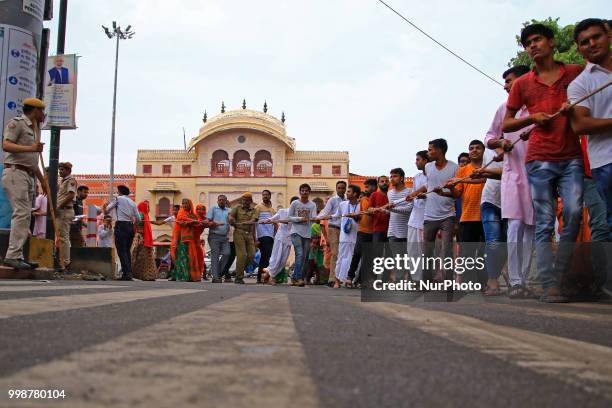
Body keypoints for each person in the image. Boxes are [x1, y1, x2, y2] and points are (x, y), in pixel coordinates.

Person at [502, 23, 584, 303]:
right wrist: (531, 118)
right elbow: (507, 123)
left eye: (537, 40)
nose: (533, 46)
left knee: (573, 213)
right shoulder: (522, 84)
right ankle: (551, 283)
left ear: (551, 43)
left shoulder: (575, 73)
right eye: (528, 43)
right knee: (545, 222)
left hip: (572, 155)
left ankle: (559, 276)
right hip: (538, 159)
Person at [485, 65, 536, 299]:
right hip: (513, 175)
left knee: (532, 228)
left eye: (509, 81)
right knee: (515, 226)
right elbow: (489, 137)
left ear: (525, 80)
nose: (505, 85)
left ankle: (524, 280)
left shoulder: (538, 106)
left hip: (538, 174)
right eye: (504, 82)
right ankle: (515, 281)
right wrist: (500, 144)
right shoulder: (504, 109)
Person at [568, 18, 612, 240]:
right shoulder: (579, 84)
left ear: (609, 36)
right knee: (604, 225)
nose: (592, 43)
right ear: (579, 48)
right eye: (585, 41)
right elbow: (580, 125)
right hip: (605, 162)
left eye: (597, 36)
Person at [2, 98, 46, 269]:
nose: (43, 115)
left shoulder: (35, 130)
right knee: (21, 213)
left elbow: (33, 162)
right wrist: (31, 148)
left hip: (28, 174)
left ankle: (17, 255)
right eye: (42, 111)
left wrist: (43, 182)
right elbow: (6, 145)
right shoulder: (17, 123)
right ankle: (12, 255)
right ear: (34, 110)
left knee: (25, 215)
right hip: (15, 171)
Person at [417, 139, 459, 283]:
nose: (428, 152)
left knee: (446, 251)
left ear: (439, 150)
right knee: (427, 252)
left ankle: (448, 283)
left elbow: (457, 194)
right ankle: (425, 283)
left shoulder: (455, 168)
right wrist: (416, 193)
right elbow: (428, 185)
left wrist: (444, 192)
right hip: (429, 216)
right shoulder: (428, 167)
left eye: (430, 150)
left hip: (447, 215)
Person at [448, 140, 486, 285]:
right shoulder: (463, 170)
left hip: (487, 216)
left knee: (485, 253)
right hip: (468, 216)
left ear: (484, 150)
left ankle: (485, 282)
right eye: (471, 148)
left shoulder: (489, 167)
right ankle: (469, 282)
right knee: (467, 254)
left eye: (478, 148)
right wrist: (451, 187)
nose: (474, 150)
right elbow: (458, 194)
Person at [105, 185, 139, 280]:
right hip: (130, 226)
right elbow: (138, 219)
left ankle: (126, 273)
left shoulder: (118, 198)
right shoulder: (132, 202)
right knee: (127, 250)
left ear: (119, 192)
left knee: (121, 250)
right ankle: (128, 273)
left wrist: (107, 207)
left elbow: (108, 209)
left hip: (121, 225)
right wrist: (133, 225)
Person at [262, 197, 298, 284]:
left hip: (289, 240)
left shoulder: (298, 215)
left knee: (283, 261)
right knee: (276, 258)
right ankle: (271, 277)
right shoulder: (283, 211)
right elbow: (273, 218)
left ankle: (267, 274)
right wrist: (267, 220)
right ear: (291, 204)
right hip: (280, 237)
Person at [347, 178, 377, 285]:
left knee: (368, 258)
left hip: (374, 232)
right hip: (362, 230)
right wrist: (355, 217)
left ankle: (360, 279)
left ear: (374, 187)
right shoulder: (363, 199)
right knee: (357, 254)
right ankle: (350, 277)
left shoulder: (378, 199)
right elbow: (360, 216)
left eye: (367, 187)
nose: (366, 189)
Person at [405, 151, 430, 281]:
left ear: (426, 161)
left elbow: (429, 190)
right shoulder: (417, 177)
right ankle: (416, 280)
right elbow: (414, 197)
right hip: (414, 219)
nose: (416, 162)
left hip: (427, 220)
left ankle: (426, 280)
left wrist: (419, 193)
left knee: (425, 252)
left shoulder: (434, 176)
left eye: (418, 159)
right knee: (412, 251)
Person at [317, 181, 346, 284]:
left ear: (345, 189)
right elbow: (325, 212)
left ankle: (340, 278)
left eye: (343, 188)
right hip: (333, 228)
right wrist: (315, 217)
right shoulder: (332, 200)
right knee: (335, 253)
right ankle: (332, 279)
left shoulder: (346, 201)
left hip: (344, 230)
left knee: (342, 254)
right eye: (339, 188)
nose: (341, 190)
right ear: (336, 188)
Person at [333, 184, 361, 288]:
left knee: (352, 260)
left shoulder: (361, 205)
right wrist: (324, 217)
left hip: (356, 236)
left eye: (349, 191)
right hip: (344, 237)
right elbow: (336, 215)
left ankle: (349, 280)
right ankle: (337, 281)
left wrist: (355, 217)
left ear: (355, 194)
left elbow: (361, 219)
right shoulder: (343, 204)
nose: (346, 193)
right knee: (341, 258)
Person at [290, 183, 318, 287]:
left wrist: (315, 219)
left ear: (309, 192)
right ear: (300, 192)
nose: (304, 192)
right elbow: (289, 217)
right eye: (302, 190)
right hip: (295, 232)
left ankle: (297, 277)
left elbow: (314, 217)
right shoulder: (295, 203)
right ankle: (298, 278)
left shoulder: (312, 205)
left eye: (306, 190)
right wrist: (299, 219)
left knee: (306, 257)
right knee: (300, 254)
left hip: (307, 233)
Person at [229, 193, 257, 284]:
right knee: (242, 255)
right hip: (239, 233)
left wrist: (246, 223)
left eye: (248, 200)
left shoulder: (254, 210)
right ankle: (239, 277)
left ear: (251, 201)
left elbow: (253, 220)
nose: (245, 201)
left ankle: (238, 270)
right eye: (244, 199)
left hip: (249, 234)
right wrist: (231, 220)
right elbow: (231, 217)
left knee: (252, 255)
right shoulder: (237, 208)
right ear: (242, 200)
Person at [173, 198, 202, 282]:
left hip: (191, 239)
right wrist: (191, 222)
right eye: (183, 203)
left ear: (190, 204)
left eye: (186, 203)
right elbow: (180, 220)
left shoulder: (193, 215)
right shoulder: (181, 213)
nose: (184, 205)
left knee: (191, 259)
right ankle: (183, 277)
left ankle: (192, 277)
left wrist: (194, 222)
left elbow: (198, 223)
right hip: (183, 240)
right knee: (183, 259)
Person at [56, 162, 77, 269]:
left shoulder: (70, 180)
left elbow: (71, 195)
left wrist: (59, 206)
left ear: (68, 171)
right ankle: (62, 260)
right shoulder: (62, 181)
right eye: (59, 169)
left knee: (63, 237)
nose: (60, 171)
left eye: (62, 170)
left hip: (65, 210)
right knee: (61, 237)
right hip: (61, 211)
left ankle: (65, 261)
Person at [206, 195, 232, 283]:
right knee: (215, 256)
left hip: (225, 237)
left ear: (226, 201)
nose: (221, 201)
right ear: (217, 201)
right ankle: (215, 277)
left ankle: (217, 273)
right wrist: (212, 223)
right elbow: (207, 221)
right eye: (220, 200)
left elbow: (232, 220)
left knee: (227, 253)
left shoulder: (229, 211)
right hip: (214, 236)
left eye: (223, 200)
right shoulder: (213, 209)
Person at [131, 201, 158, 281]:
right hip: (141, 238)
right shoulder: (142, 215)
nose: (149, 209)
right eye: (147, 207)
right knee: (143, 258)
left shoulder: (144, 215)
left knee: (144, 258)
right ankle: (146, 276)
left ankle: (146, 276)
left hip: (143, 238)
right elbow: (137, 224)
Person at [254, 189, 276, 283]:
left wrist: (275, 235)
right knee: (267, 256)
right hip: (262, 235)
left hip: (270, 236)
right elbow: (254, 222)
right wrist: (255, 238)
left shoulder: (272, 210)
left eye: (267, 195)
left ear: (270, 196)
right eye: (263, 195)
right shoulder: (258, 207)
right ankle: (262, 277)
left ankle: (261, 278)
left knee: (265, 257)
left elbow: (275, 224)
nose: (265, 196)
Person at [194, 203, 209, 280]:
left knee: (199, 258)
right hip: (190, 240)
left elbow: (209, 223)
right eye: (199, 209)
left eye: (202, 209)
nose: (200, 211)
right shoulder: (193, 217)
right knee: (192, 257)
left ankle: (198, 275)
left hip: (197, 240)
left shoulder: (205, 219)